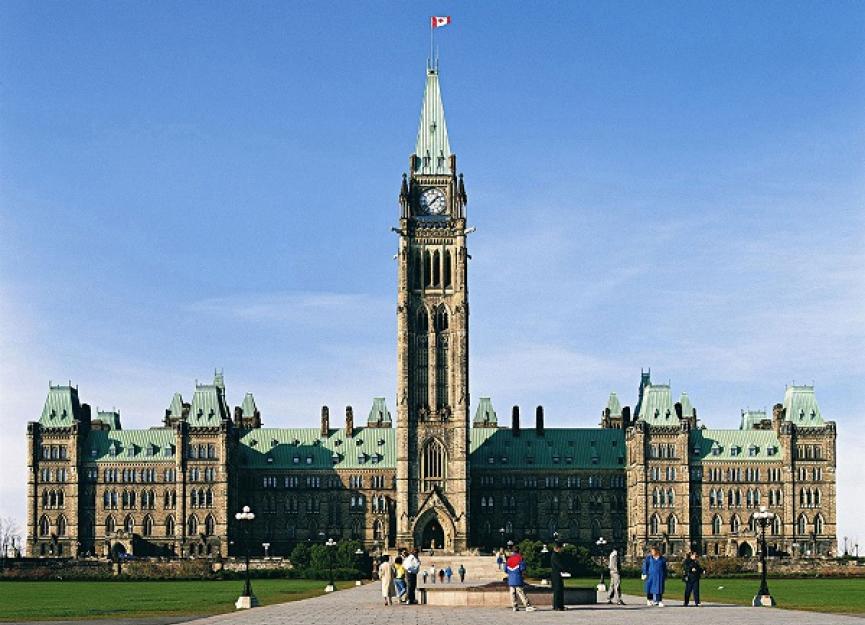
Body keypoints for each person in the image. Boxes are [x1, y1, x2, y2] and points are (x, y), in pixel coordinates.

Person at [505, 545, 536, 612]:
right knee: (521, 592)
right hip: (518, 577)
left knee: (512, 593)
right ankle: (527, 606)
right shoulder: (520, 558)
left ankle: (514, 606)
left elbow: (506, 569)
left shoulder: (509, 559)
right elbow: (522, 568)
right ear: (519, 551)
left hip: (511, 578)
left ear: (512, 551)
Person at [550, 542, 570, 611]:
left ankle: (560, 605)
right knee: (557, 591)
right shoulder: (555, 556)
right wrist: (565, 569)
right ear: (558, 548)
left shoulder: (556, 555)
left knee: (560, 591)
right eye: (561, 548)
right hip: (556, 575)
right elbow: (559, 565)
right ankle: (557, 606)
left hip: (558, 575)